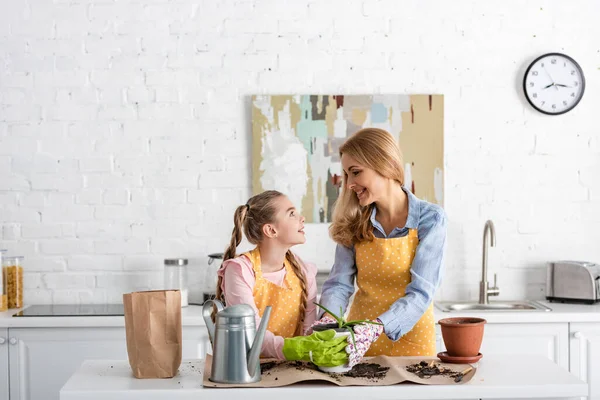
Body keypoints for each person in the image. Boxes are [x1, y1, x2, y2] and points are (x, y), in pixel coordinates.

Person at [313, 127, 447, 362]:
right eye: (346, 175)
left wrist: (376, 327)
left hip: (412, 342)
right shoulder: (354, 220)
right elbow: (339, 284)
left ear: (383, 164)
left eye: (355, 172)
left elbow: (421, 292)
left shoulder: (431, 219)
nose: (349, 184)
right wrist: (329, 319)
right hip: (359, 344)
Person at [215, 190, 347, 367]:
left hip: (292, 370)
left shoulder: (303, 271)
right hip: (247, 373)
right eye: (292, 214)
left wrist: (316, 344)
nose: (302, 218)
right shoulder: (240, 270)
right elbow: (250, 332)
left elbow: (308, 331)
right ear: (271, 230)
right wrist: (294, 348)